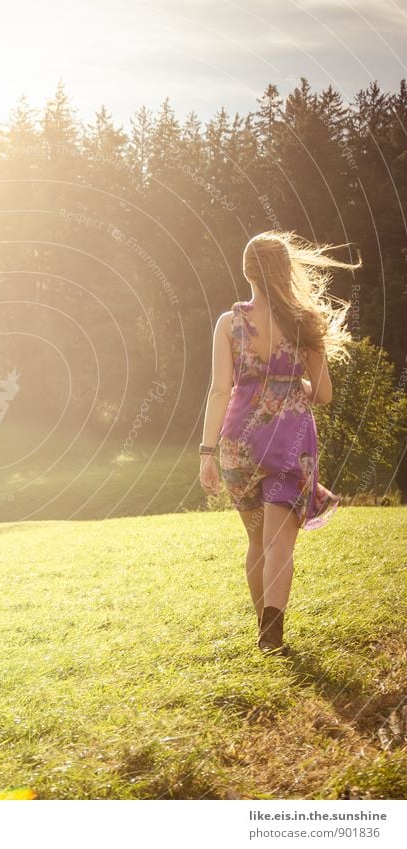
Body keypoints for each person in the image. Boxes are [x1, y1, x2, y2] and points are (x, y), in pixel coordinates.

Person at [199, 231, 360, 654]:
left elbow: (219, 391)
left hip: (238, 445)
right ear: (285, 270)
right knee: (279, 546)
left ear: (246, 270)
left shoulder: (228, 323)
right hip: (289, 443)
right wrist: (292, 386)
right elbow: (323, 393)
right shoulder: (304, 322)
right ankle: (272, 636)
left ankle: (264, 632)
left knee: (256, 542)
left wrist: (206, 453)